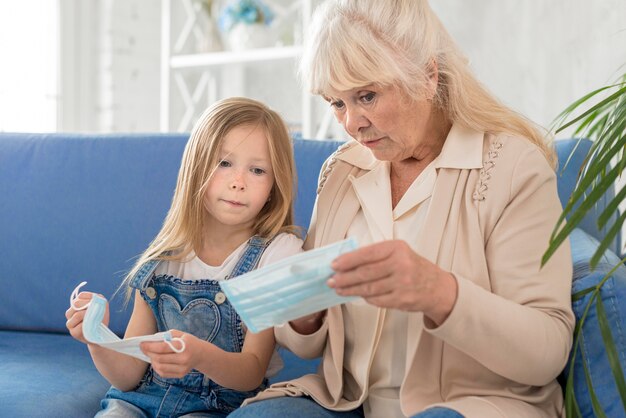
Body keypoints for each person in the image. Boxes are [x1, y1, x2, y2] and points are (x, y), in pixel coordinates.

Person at [229, 0, 574, 417]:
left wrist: (440, 293)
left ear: (427, 76)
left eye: (367, 96)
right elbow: (309, 342)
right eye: (336, 103)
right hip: (350, 401)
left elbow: (547, 353)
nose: (351, 123)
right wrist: (305, 316)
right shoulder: (340, 170)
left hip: (474, 405)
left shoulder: (512, 167)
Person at [65, 97, 304, 417]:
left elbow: (251, 372)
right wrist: (96, 337)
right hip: (140, 399)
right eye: (224, 163)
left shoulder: (273, 256)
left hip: (215, 408)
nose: (238, 182)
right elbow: (128, 377)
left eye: (257, 170)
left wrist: (199, 356)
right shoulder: (164, 257)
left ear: (275, 185)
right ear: (196, 169)